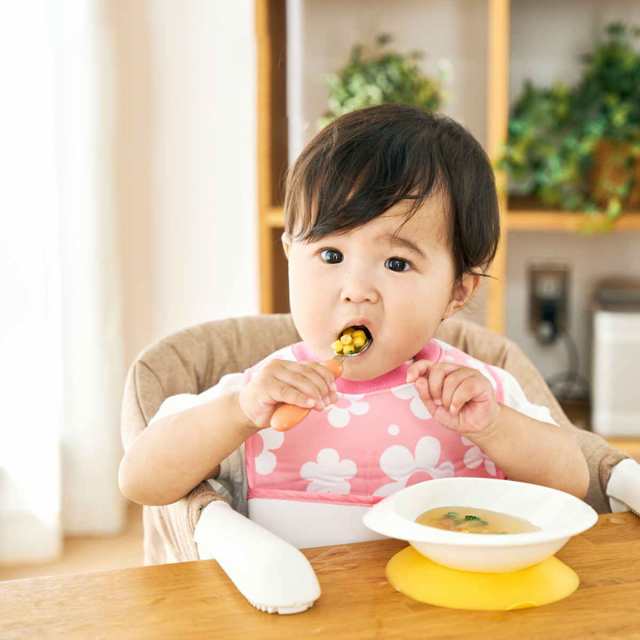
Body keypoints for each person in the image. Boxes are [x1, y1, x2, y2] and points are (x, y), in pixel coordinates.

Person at [118, 105, 627, 615]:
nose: (357, 291)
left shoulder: (474, 390)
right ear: (291, 254)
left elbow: (571, 483)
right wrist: (236, 412)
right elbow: (141, 480)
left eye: (397, 262)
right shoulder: (261, 393)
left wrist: (492, 429)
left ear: (457, 291)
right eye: (331, 256)